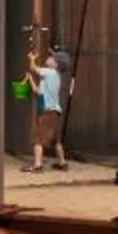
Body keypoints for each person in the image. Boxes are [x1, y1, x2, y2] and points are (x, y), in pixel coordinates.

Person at [26, 43, 69, 174]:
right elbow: (38, 92)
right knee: (57, 140)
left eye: (52, 58)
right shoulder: (52, 78)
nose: (49, 58)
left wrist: (31, 59)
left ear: (56, 65)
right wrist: (30, 80)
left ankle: (37, 165)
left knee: (38, 137)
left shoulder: (50, 72)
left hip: (49, 112)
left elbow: (34, 68)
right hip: (56, 113)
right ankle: (62, 162)